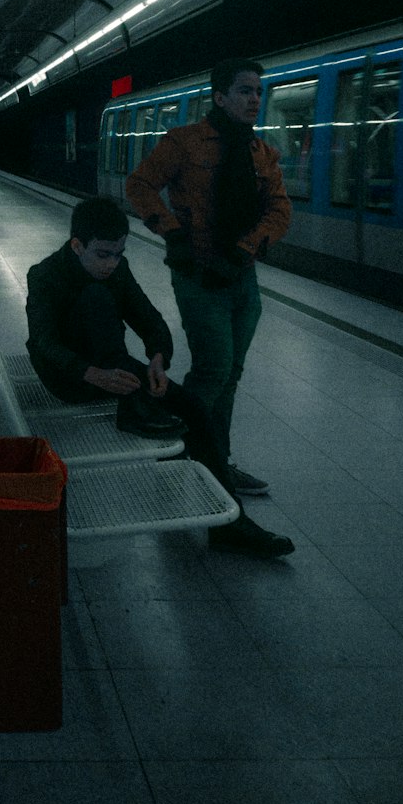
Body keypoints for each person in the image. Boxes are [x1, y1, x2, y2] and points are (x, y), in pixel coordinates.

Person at [25, 196, 294, 559]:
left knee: (193, 408)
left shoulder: (118, 270)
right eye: (103, 254)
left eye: (119, 253)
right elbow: (44, 344)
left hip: (117, 371)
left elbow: (149, 319)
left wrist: (157, 358)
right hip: (68, 376)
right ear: (77, 246)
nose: (112, 263)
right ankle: (136, 408)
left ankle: (231, 527)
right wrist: (91, 373)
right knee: (95, 298)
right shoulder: (44, 275)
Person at [126, 58, 291, 498]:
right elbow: (140, 185)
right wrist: (171, 232)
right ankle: (190, 454)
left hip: (241, 276)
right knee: (214, 367)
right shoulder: (183, 143)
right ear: (220, 97)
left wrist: (244, 250)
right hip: (198, 274)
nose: (255, 98)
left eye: (258, 90)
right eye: (244, 90)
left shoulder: (262, 154)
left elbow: (280, 210)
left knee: (231, 371)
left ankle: (216, 460)